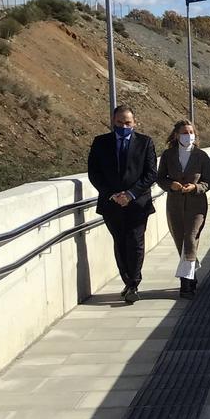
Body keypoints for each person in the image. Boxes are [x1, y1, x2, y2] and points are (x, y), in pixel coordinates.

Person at [88, 105, 157, 304]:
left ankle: (134, 283)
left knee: (135, 241)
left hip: (138, 203)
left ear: (134, 123)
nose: (124, 126)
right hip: (111, 204)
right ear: (113, 122)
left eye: (127, 123)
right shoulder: (100, 143)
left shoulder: (145, 143)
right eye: (120, 123)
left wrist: (130, 194)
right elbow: (94, 173)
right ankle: (127, 280)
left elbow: (151, 173)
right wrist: (112, 195)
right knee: (120, 242)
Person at [156, 119, 210, 298]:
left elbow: (209, 181)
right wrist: (171, 185)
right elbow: (160, 178)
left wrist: (195, 187)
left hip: (196, 206)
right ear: (176, 135)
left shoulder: (201, 156)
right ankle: (192, 273)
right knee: (181, 242)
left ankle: (185, 284)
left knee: (190, 238)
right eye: (184, 133)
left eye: (190, 132)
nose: (188, 136)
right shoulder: (168, 155)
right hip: (175, 205)